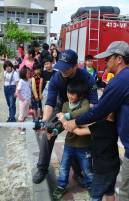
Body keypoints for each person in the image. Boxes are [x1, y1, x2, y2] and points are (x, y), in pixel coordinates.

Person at [63, 41, 129, 201]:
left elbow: (99, 110)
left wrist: (74, 122)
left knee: (126, 194)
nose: (104, 62)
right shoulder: (128, 76)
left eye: (107, 58)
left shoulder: (120, 80)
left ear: (118, 59)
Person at [32, 49, 98, 186]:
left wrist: (76, 121)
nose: (62, 71)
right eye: (60, 67)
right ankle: (42, 168)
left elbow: (92, 104)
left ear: (75, 66)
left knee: (76, 136)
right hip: (61, 106)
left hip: (81, 109)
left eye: (66, 68)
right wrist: (45, 119)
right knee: (48, 133)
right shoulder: (57, 78)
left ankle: (78, 172)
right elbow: (50, 102)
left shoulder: (87, 78)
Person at [51, 79, 93, 199]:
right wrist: (55, 131)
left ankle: (91, 186)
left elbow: (84, 112)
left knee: (87, 168)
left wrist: (67, 116)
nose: (69, 95)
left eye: (73, 93)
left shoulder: (84, 103)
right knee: (64, 166)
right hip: (69, 143)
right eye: (69, 92)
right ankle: (62, 185)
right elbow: (63, 125)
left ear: (81, 95)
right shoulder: (65, 105)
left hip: (84, 145)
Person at [69, 113, 119, 201]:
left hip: (103, 169)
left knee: (94, 196)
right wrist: (75, 122)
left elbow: (79, 132)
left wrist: (65, 122)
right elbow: (91, 124)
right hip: (114, 165)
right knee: (110, 192)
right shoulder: (115, 124)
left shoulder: (103, 125)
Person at [15, 66, 31, 135]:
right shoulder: (21, 82)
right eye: (28, 74)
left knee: (25, 114)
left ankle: (23, 125)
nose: (29, 75)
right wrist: (22, 99)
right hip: (23, 101)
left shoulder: (29, 80)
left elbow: (29, 88)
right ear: (24, 74)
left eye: (29, 74)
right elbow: (17, 92)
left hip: (28, 100)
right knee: (21, 115)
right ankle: (18, 129)